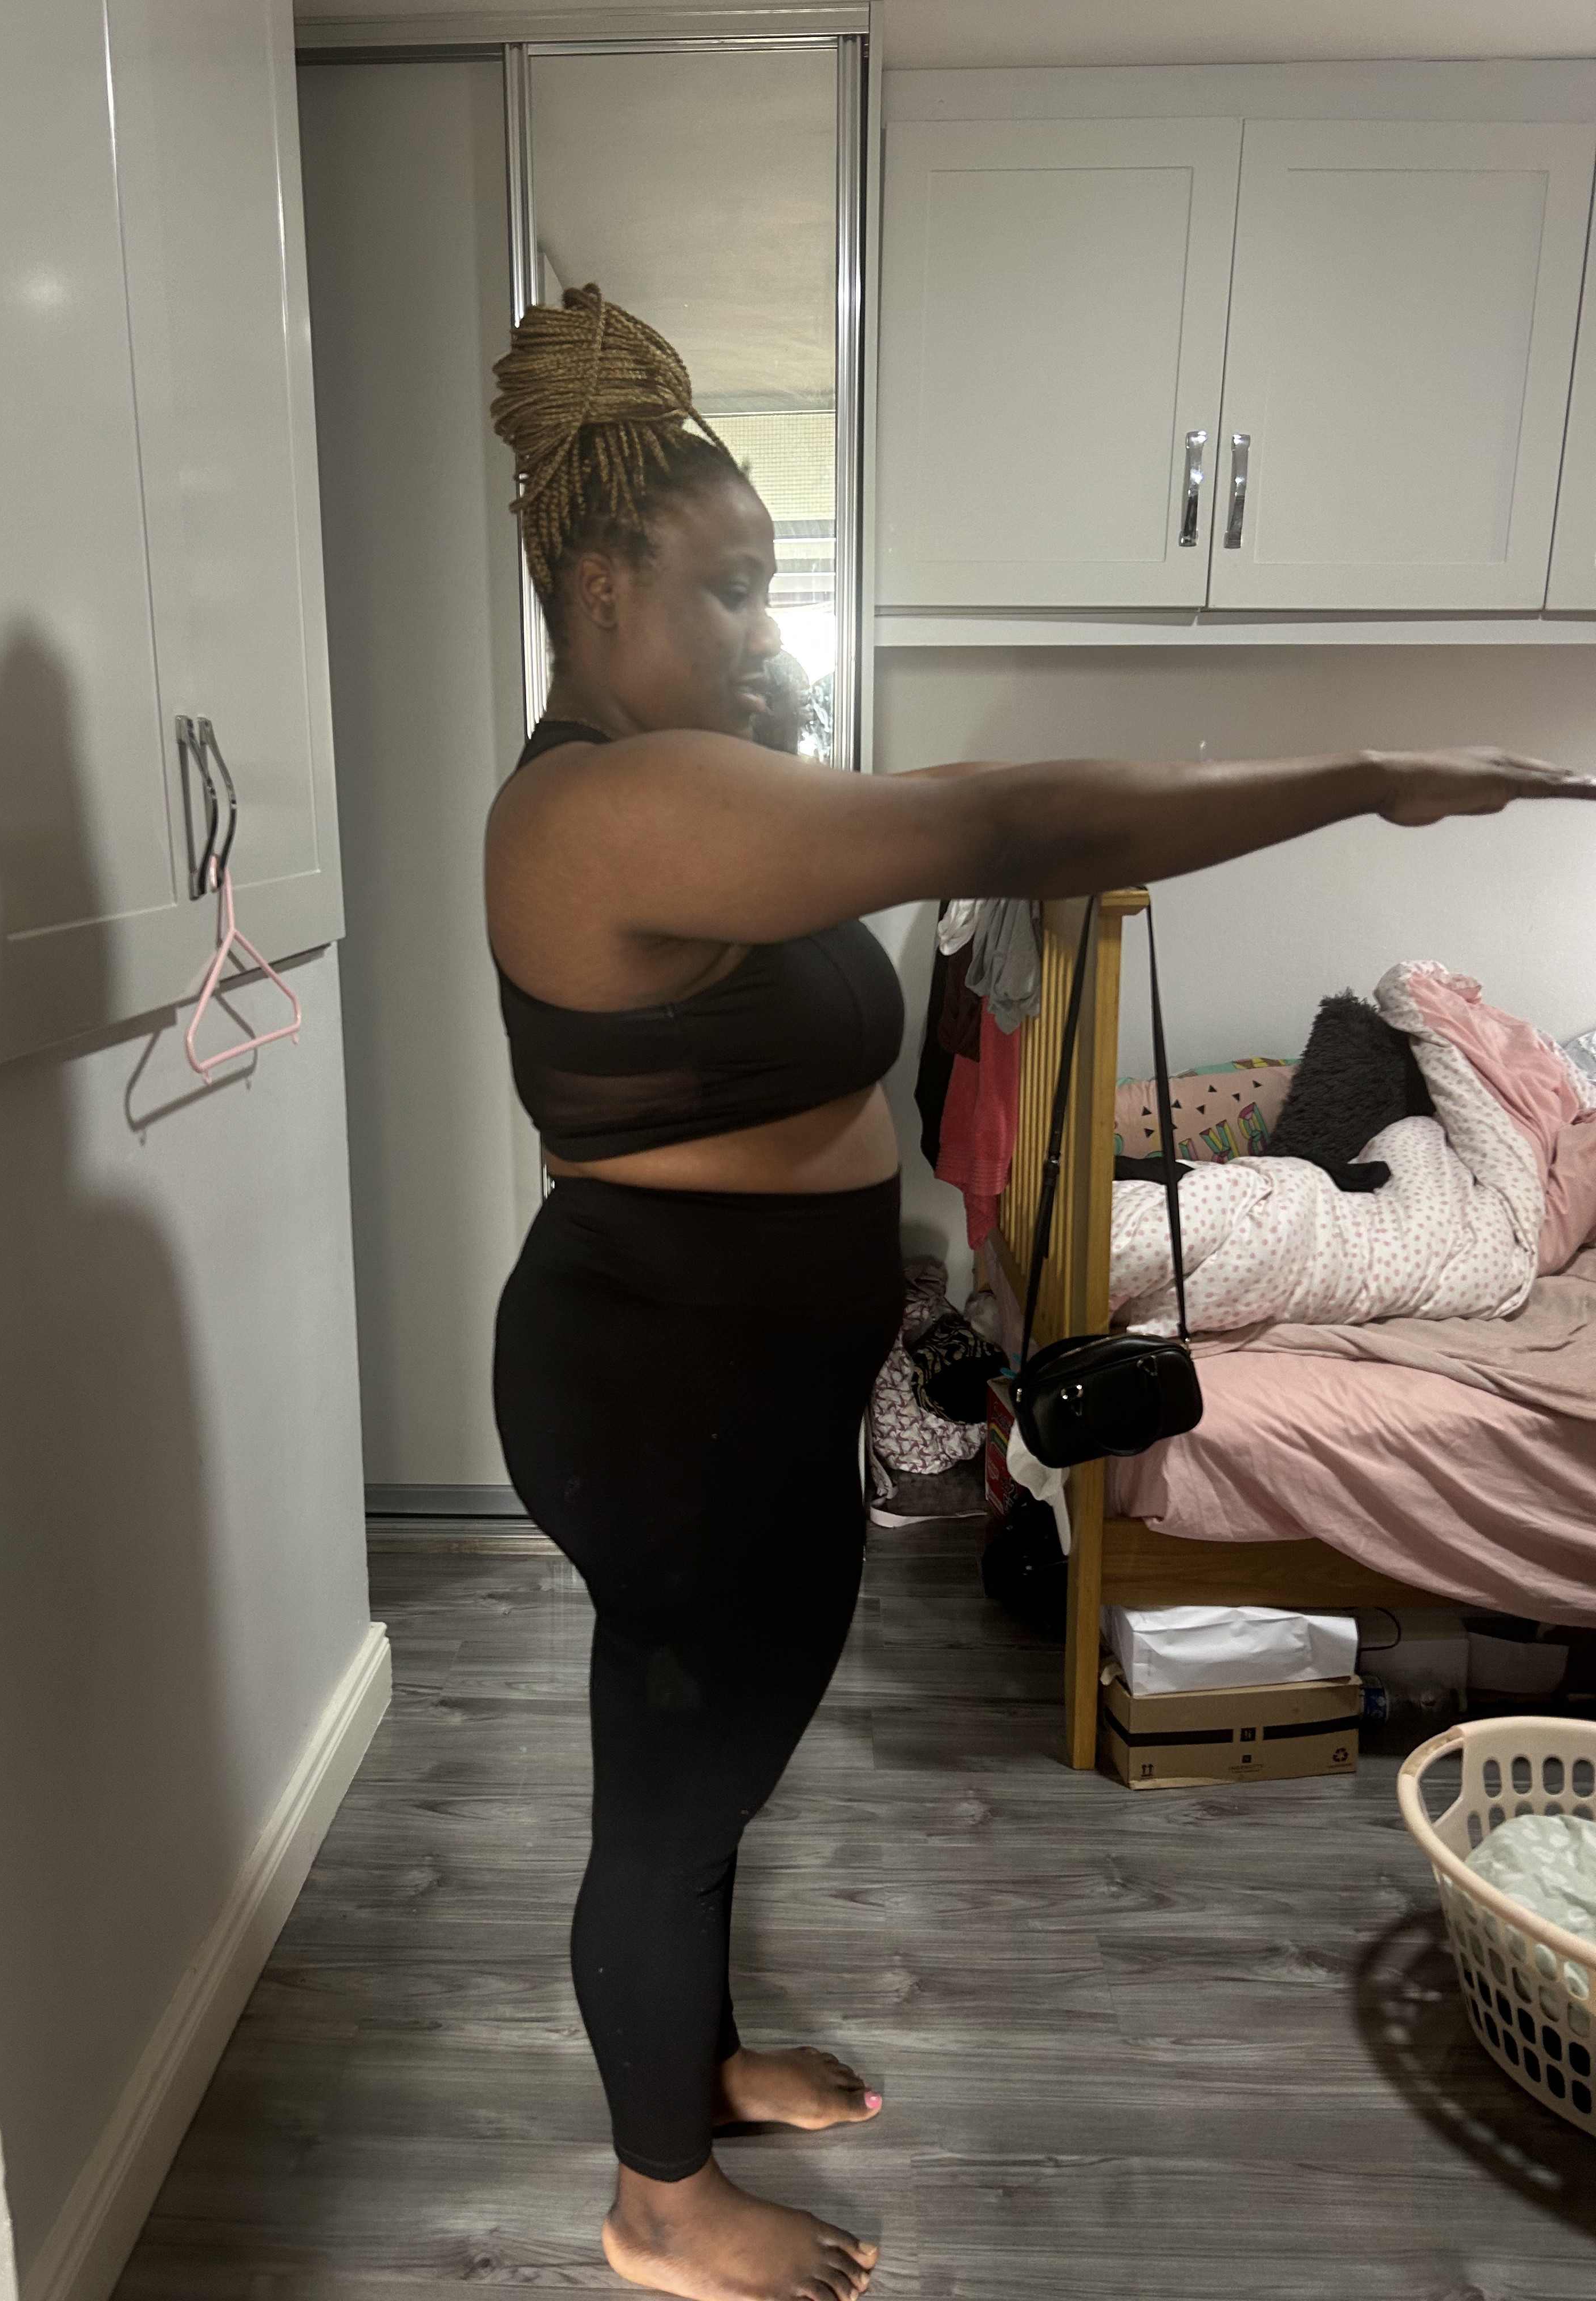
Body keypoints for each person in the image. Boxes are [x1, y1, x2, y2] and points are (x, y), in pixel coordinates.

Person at [484, 285, 1590, 2301]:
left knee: (712, 1758)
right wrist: (1365, 773)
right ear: (597, 581)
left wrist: (767, 713)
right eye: (726, 590)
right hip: (660, 1380)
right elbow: (1003, 819)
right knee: (674, 1785)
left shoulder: (694, 777)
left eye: (768, 586)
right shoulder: (596, 804)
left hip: (725, 1372)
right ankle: (658, 2204)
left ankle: (695, 2066)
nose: (755, 628)